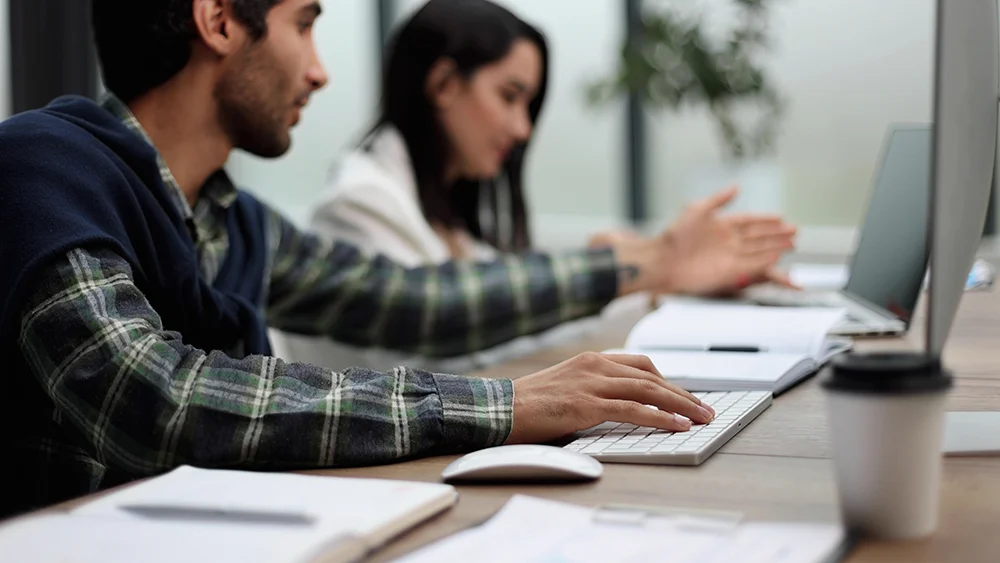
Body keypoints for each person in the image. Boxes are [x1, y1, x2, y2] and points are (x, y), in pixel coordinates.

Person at [0, 0, 791, 517]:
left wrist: (641, 265)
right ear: (217, 20)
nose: (320, 69)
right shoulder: (42, 167)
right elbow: (159, 398)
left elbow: (418, 300)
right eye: (304, 24)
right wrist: (505, 407)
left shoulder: (236, 226)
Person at [275, 0, 798, 372]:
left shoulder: (441, 211)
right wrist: (645, 265)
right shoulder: (356, 204)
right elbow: (455, 340)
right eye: (509, 96)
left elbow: (514, 313)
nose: (523, 129)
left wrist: (655, 282)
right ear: (442, 84)